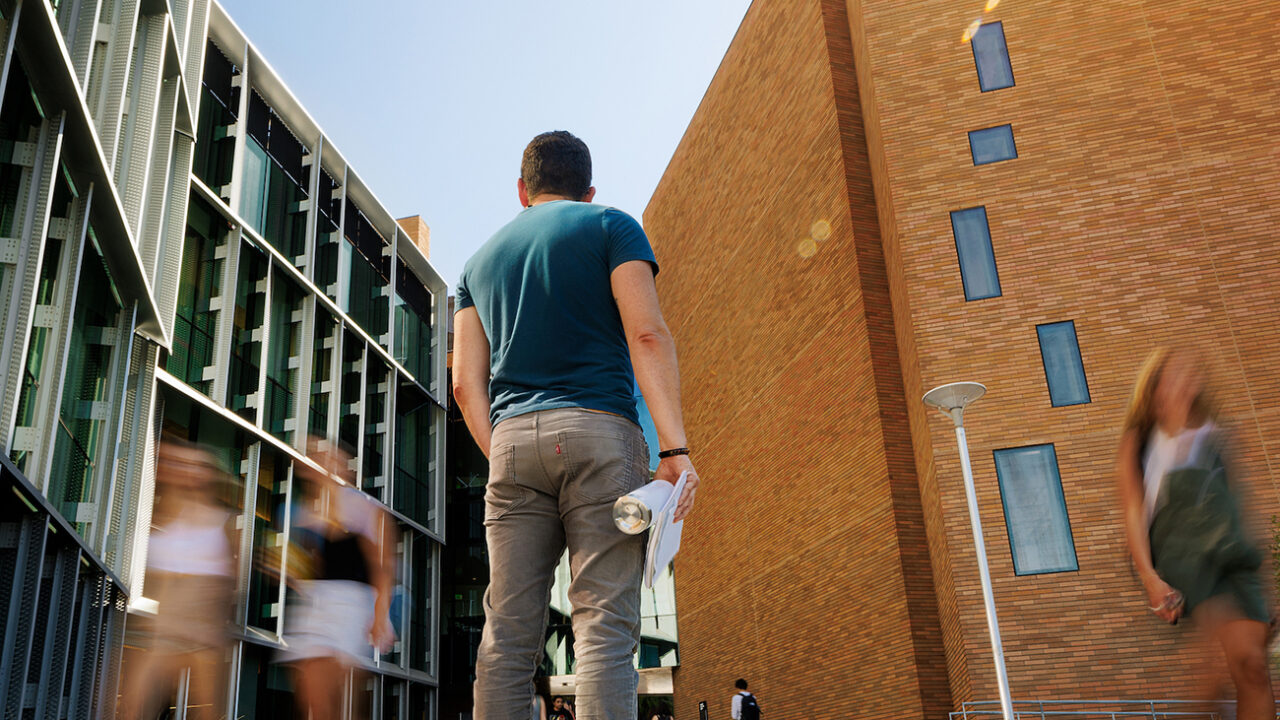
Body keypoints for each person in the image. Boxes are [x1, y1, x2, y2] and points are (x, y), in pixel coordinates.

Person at [454, 130, 699, 718]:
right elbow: (647, 335)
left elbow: (465, 385)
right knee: (603, 628)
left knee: (507, 634)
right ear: (588, 191)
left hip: (510, 442)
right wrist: (675, 449)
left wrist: (504, 455)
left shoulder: (477, 263)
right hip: (600, 435)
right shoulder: (613, 227)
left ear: (522, 190)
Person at [1116, 347, 1274, 719]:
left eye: (1189, 374)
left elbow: (1240, 506)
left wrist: (1264, 583)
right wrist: (1150, 578)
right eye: (1172, 376)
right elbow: (1133, 516)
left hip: (1236, 560)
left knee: (1253, 669)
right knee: (1217, 678)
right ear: (1153, 390)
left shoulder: (1217, 436)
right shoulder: (1139, 445)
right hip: (1185, 561)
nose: (1182, 382)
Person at [280, 437, 396, 720]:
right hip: (313, 606)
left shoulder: (366, 509)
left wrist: (379, 616)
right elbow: (304, 570)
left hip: (351, 605)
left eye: (328, 457)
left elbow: (382, 569)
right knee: (312, 694)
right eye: (315, 457)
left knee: (333, 695)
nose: (320, 462)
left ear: (345, 467)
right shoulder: (304, 513)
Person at [122, 437, 236, 720]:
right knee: (131, 706)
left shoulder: (223, 520)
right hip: (164, 631)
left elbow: (231, 582)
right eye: (177, 463)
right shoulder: (152, 516)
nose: (186, 471)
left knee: (208, 711)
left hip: (203, 633)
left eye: (194, 465)